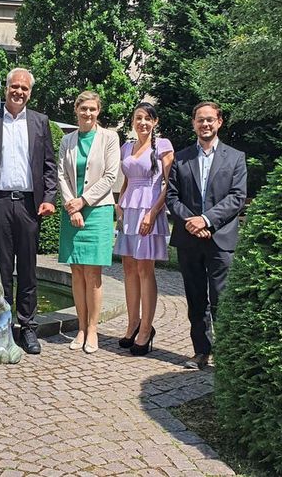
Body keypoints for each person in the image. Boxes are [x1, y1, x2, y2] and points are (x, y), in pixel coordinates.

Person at [0, 67, 58, 354]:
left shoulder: (40, 122)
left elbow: (48, 166)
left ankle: (28, 327)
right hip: (0, 204)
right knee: (2, 270)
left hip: (31, 206)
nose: (19, 91)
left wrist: (50, 197)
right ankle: (2, 325)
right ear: (5, 89)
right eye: (14, 87)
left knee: (29, 270)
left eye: (24, 88)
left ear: (30, 92)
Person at [166, 101, 246, 369]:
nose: (205, 124)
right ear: (194, 123)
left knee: (221, 298)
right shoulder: (181, 157)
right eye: (200, 120)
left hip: (221, 238)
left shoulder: (235, 158)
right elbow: (172, 196)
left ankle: (225, 354)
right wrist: (191, 221)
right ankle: (201, 351)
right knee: (195, 298)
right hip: (189, 239)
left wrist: (207, 220)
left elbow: (237, 197)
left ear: (219, 122)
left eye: (210, 119)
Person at [57, 91, 119, 354]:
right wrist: (72, 205)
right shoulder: (67, 140)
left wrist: (83, 201)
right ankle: (81, 328)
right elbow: (61, 174)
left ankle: (93, 330)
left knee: (93, 274)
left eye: (93, 109)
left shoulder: (109, 138)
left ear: (98, 111)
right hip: (72, 210)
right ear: (76, 110)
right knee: (77, 272)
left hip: (98, 211)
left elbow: (110, 175)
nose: (88, 114)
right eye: (84, 109)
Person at [113, 102, 174, 356]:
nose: (143, 123)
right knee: (128, 267)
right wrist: (119, 205)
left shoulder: (163, 146)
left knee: (144, 268)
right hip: (128, 211)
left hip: (150, 210)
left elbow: (168, 185)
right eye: (138, 118)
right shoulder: (126, 147)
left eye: (148, 118)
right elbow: (127, 180)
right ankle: (132, 323)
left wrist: (153, 212)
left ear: (155, 122)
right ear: (132, 121)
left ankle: (147, 328)